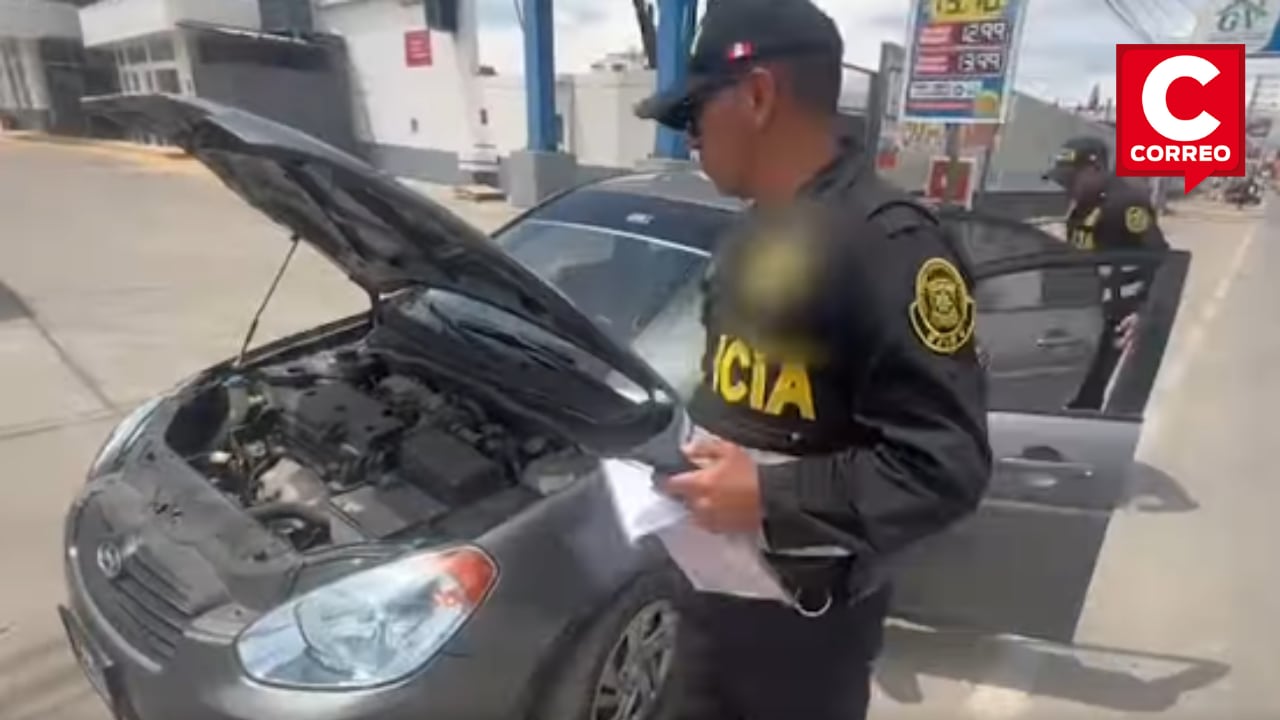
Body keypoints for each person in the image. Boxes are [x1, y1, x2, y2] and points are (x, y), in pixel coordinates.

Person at [632, 1, 992, 718]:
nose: (690, 137)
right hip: (708, 610)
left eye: (696, 113)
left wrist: (771, 497)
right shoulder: (749, 234)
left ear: (758, 95)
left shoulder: (889, 248)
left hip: (803, 645)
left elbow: (945, 465)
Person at [1042, 137, 1169, 409]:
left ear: (1096, 170)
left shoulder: (1126, 204)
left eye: (1071, 180)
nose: (1066, 187)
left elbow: (1161, 260)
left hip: (1118, 321)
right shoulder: (1080, 203)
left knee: (1100, 399)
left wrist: (1143, 313)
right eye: (1063, 181)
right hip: (1084, 315)